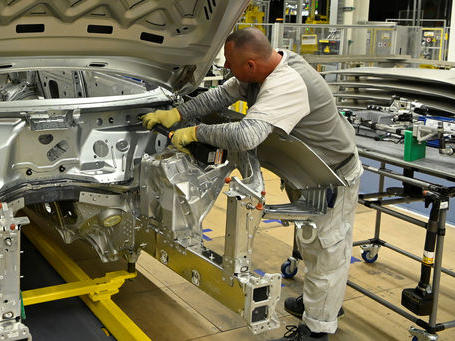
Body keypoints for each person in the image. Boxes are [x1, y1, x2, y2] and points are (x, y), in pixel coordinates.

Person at [142, 27, 362, 341]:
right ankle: (323, 303)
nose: (229, 72)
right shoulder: (262, 68)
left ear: (250, 66)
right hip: (306, 171)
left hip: (331, 177)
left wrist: (196, 133)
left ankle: (318, 328)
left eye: (232, 67)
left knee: (327, 250)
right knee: (313, 247)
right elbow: (220, 95)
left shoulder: (287, 83)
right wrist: (177, 113)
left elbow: (247, 136)